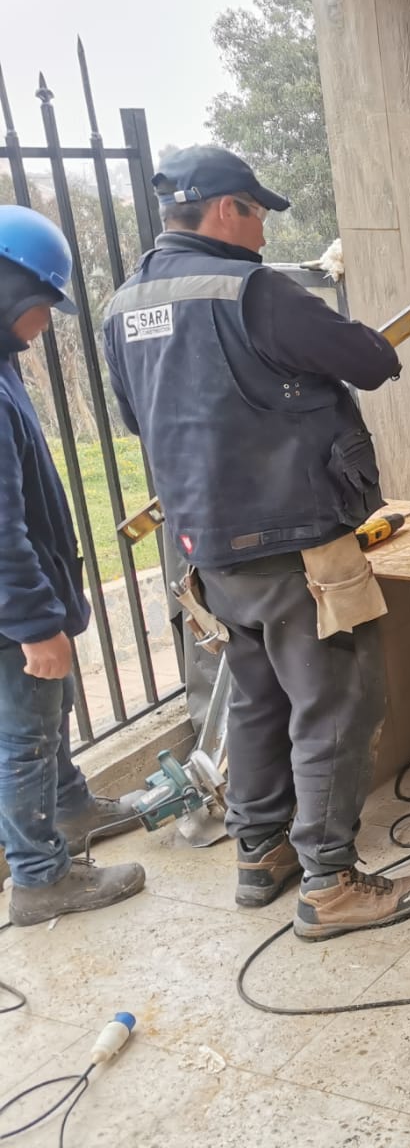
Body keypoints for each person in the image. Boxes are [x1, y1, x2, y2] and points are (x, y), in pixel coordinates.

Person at [102, 146, 410, 940]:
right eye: (257, 213)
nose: (263, 231)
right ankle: (330, 883)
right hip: (296, 542)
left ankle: (261, 853)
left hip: (206, 548)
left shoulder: (120, 307)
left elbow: (135, 417)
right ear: (225, 209)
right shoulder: (252, 290)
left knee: (256, 696)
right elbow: (370, 360)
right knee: (337, 703)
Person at [0, 205, 143, 926]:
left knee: (47, 716)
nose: (47, 323)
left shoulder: (2, 366)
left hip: (21, 603)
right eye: (42, 304)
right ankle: (39, 879)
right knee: (25, 737)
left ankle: (73, 811)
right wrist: (34, 624)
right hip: (9, 614)